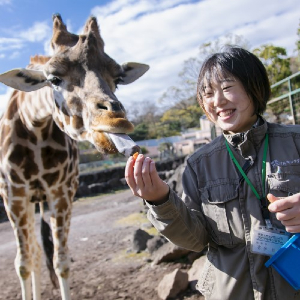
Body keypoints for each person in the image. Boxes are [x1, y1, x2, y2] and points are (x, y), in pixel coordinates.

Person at [125, 46, 300, 300]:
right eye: (208, 94)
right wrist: (159, 199)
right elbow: (195, 240)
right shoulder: (198, 164)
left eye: (228, 88)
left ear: (255, 87)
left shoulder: (296, 141)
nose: (217, 101)